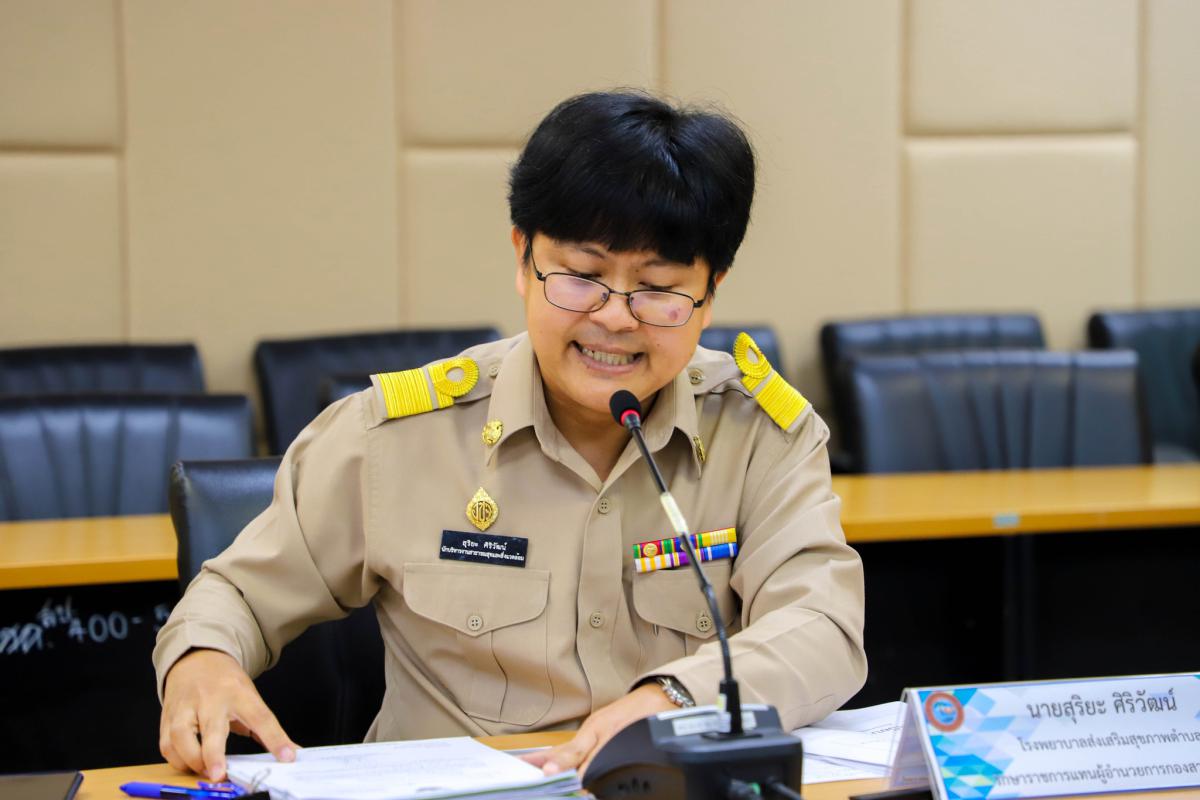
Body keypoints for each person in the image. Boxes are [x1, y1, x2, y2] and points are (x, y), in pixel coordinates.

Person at [154, 90, 866, 781]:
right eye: (582, 275)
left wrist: (677, 700)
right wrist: (202, 661)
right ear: (523, 258)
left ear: (710, 293)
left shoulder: (761, 435)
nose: (616, 317)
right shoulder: (397, 438)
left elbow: (822, 624)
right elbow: (237, 593)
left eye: (658, 288)